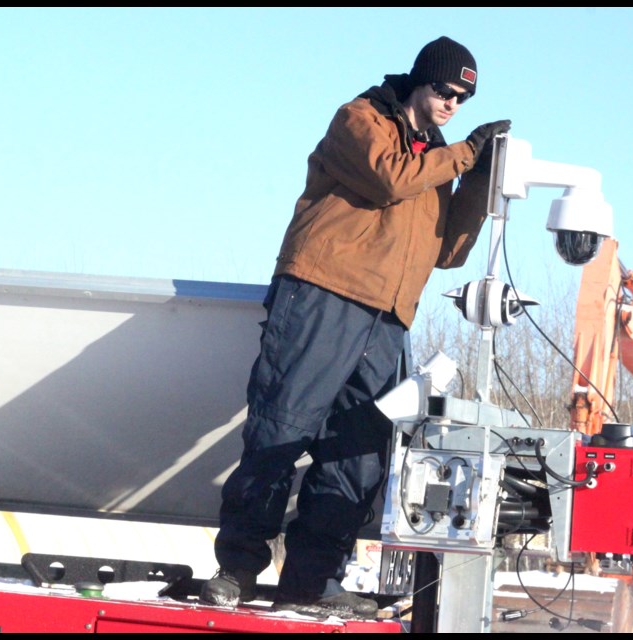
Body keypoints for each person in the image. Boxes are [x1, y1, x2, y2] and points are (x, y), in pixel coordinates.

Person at [199, 35, 511, 619]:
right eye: (444, 91)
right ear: (419, 81)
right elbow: (390, 179)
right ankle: (238, 567)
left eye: (462, 98)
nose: (451, 104)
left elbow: (447, 254)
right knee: (282, 427)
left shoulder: (438, 160)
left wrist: (476, 181)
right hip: (325, 292)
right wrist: (464, 154)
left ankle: (312, 579)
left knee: (360, 452)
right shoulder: (361, 118)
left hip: (389, 315)